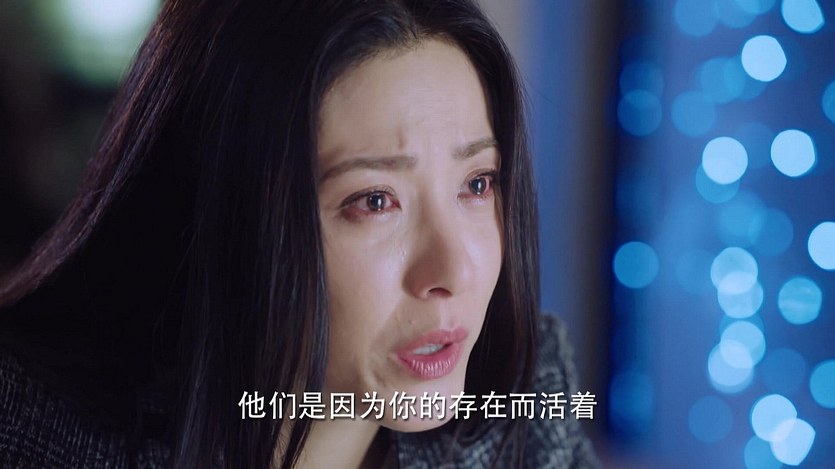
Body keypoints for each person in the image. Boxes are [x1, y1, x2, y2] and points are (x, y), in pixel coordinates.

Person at [0, 1, 599, 467]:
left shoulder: (520, 399)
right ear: (232, 210)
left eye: (476, 184)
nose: (456, 271)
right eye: (375, 201)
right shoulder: (33, 432)